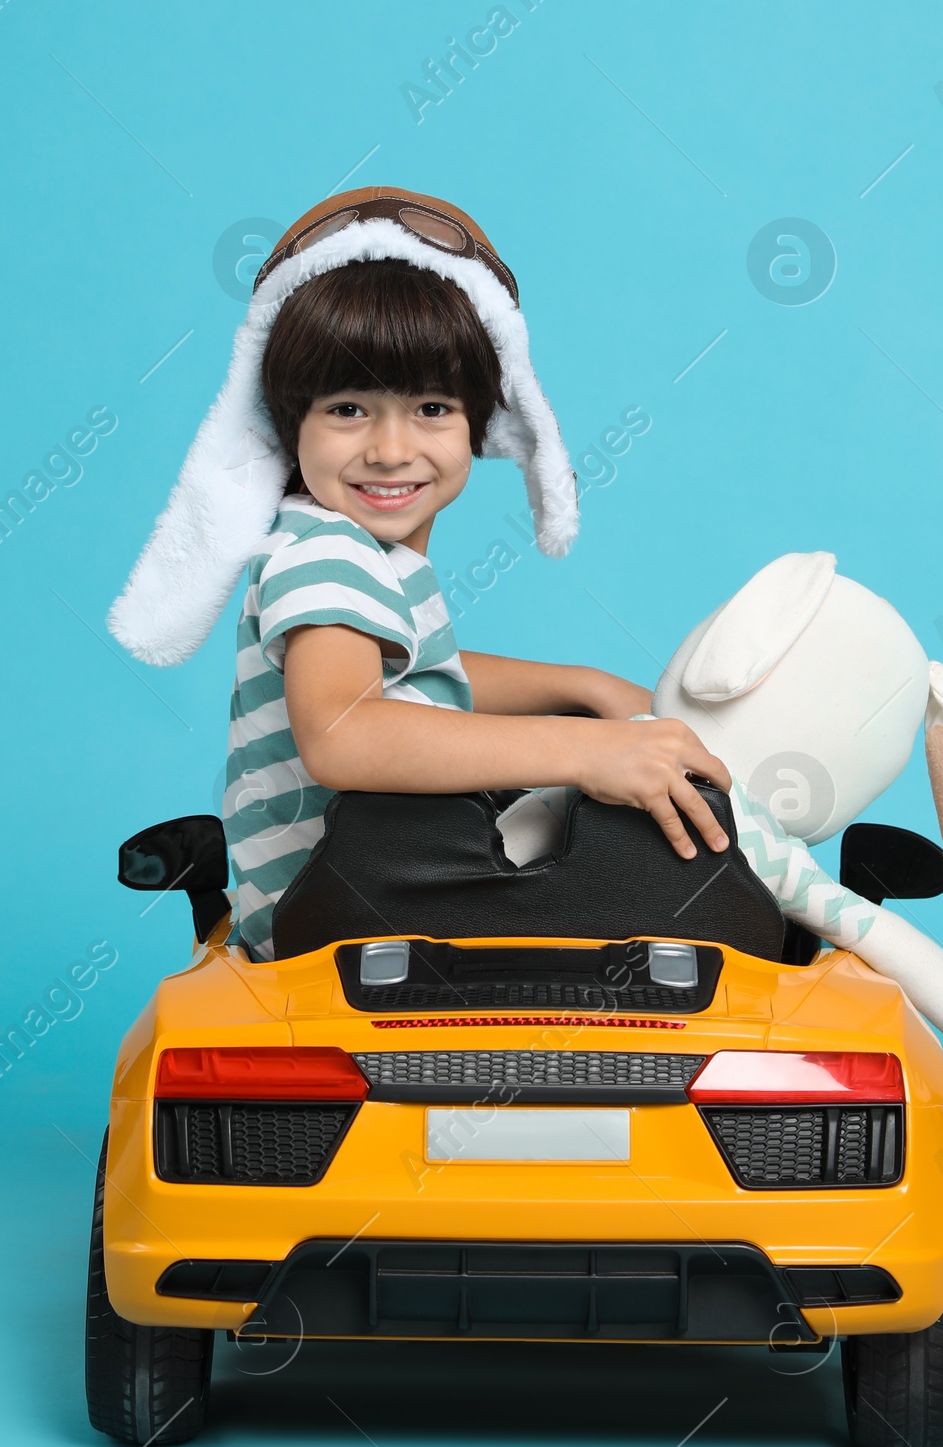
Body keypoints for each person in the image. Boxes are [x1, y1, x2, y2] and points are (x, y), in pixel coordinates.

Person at [109, 187, 730, 956]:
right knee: (678, 888)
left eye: (431, 407)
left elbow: (407, 677)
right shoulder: (324, 552)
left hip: (371, 900)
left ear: (481, 423)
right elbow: (344, 731)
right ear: (286, 420)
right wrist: (585, 750)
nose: (391, 450)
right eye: (347, 409)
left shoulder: (360, 557)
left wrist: (581, 686)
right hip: (349, 922)